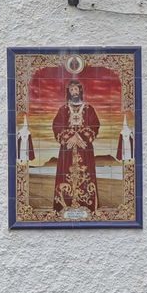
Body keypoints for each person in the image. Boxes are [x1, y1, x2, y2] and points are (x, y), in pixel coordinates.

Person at [52, 78, 100, 213]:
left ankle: (87, 206)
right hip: (67, 149)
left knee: (86, 175)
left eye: (76, 89)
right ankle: (64, 206)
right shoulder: (63, 109)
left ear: (80, 91)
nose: (74, 92)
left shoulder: (89, 109)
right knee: (66, 174)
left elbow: (95, 125)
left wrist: (80, 136)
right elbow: (56, 126)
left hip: (84, 148)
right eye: (72, 89)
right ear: (69, 92)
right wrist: (70, 137)